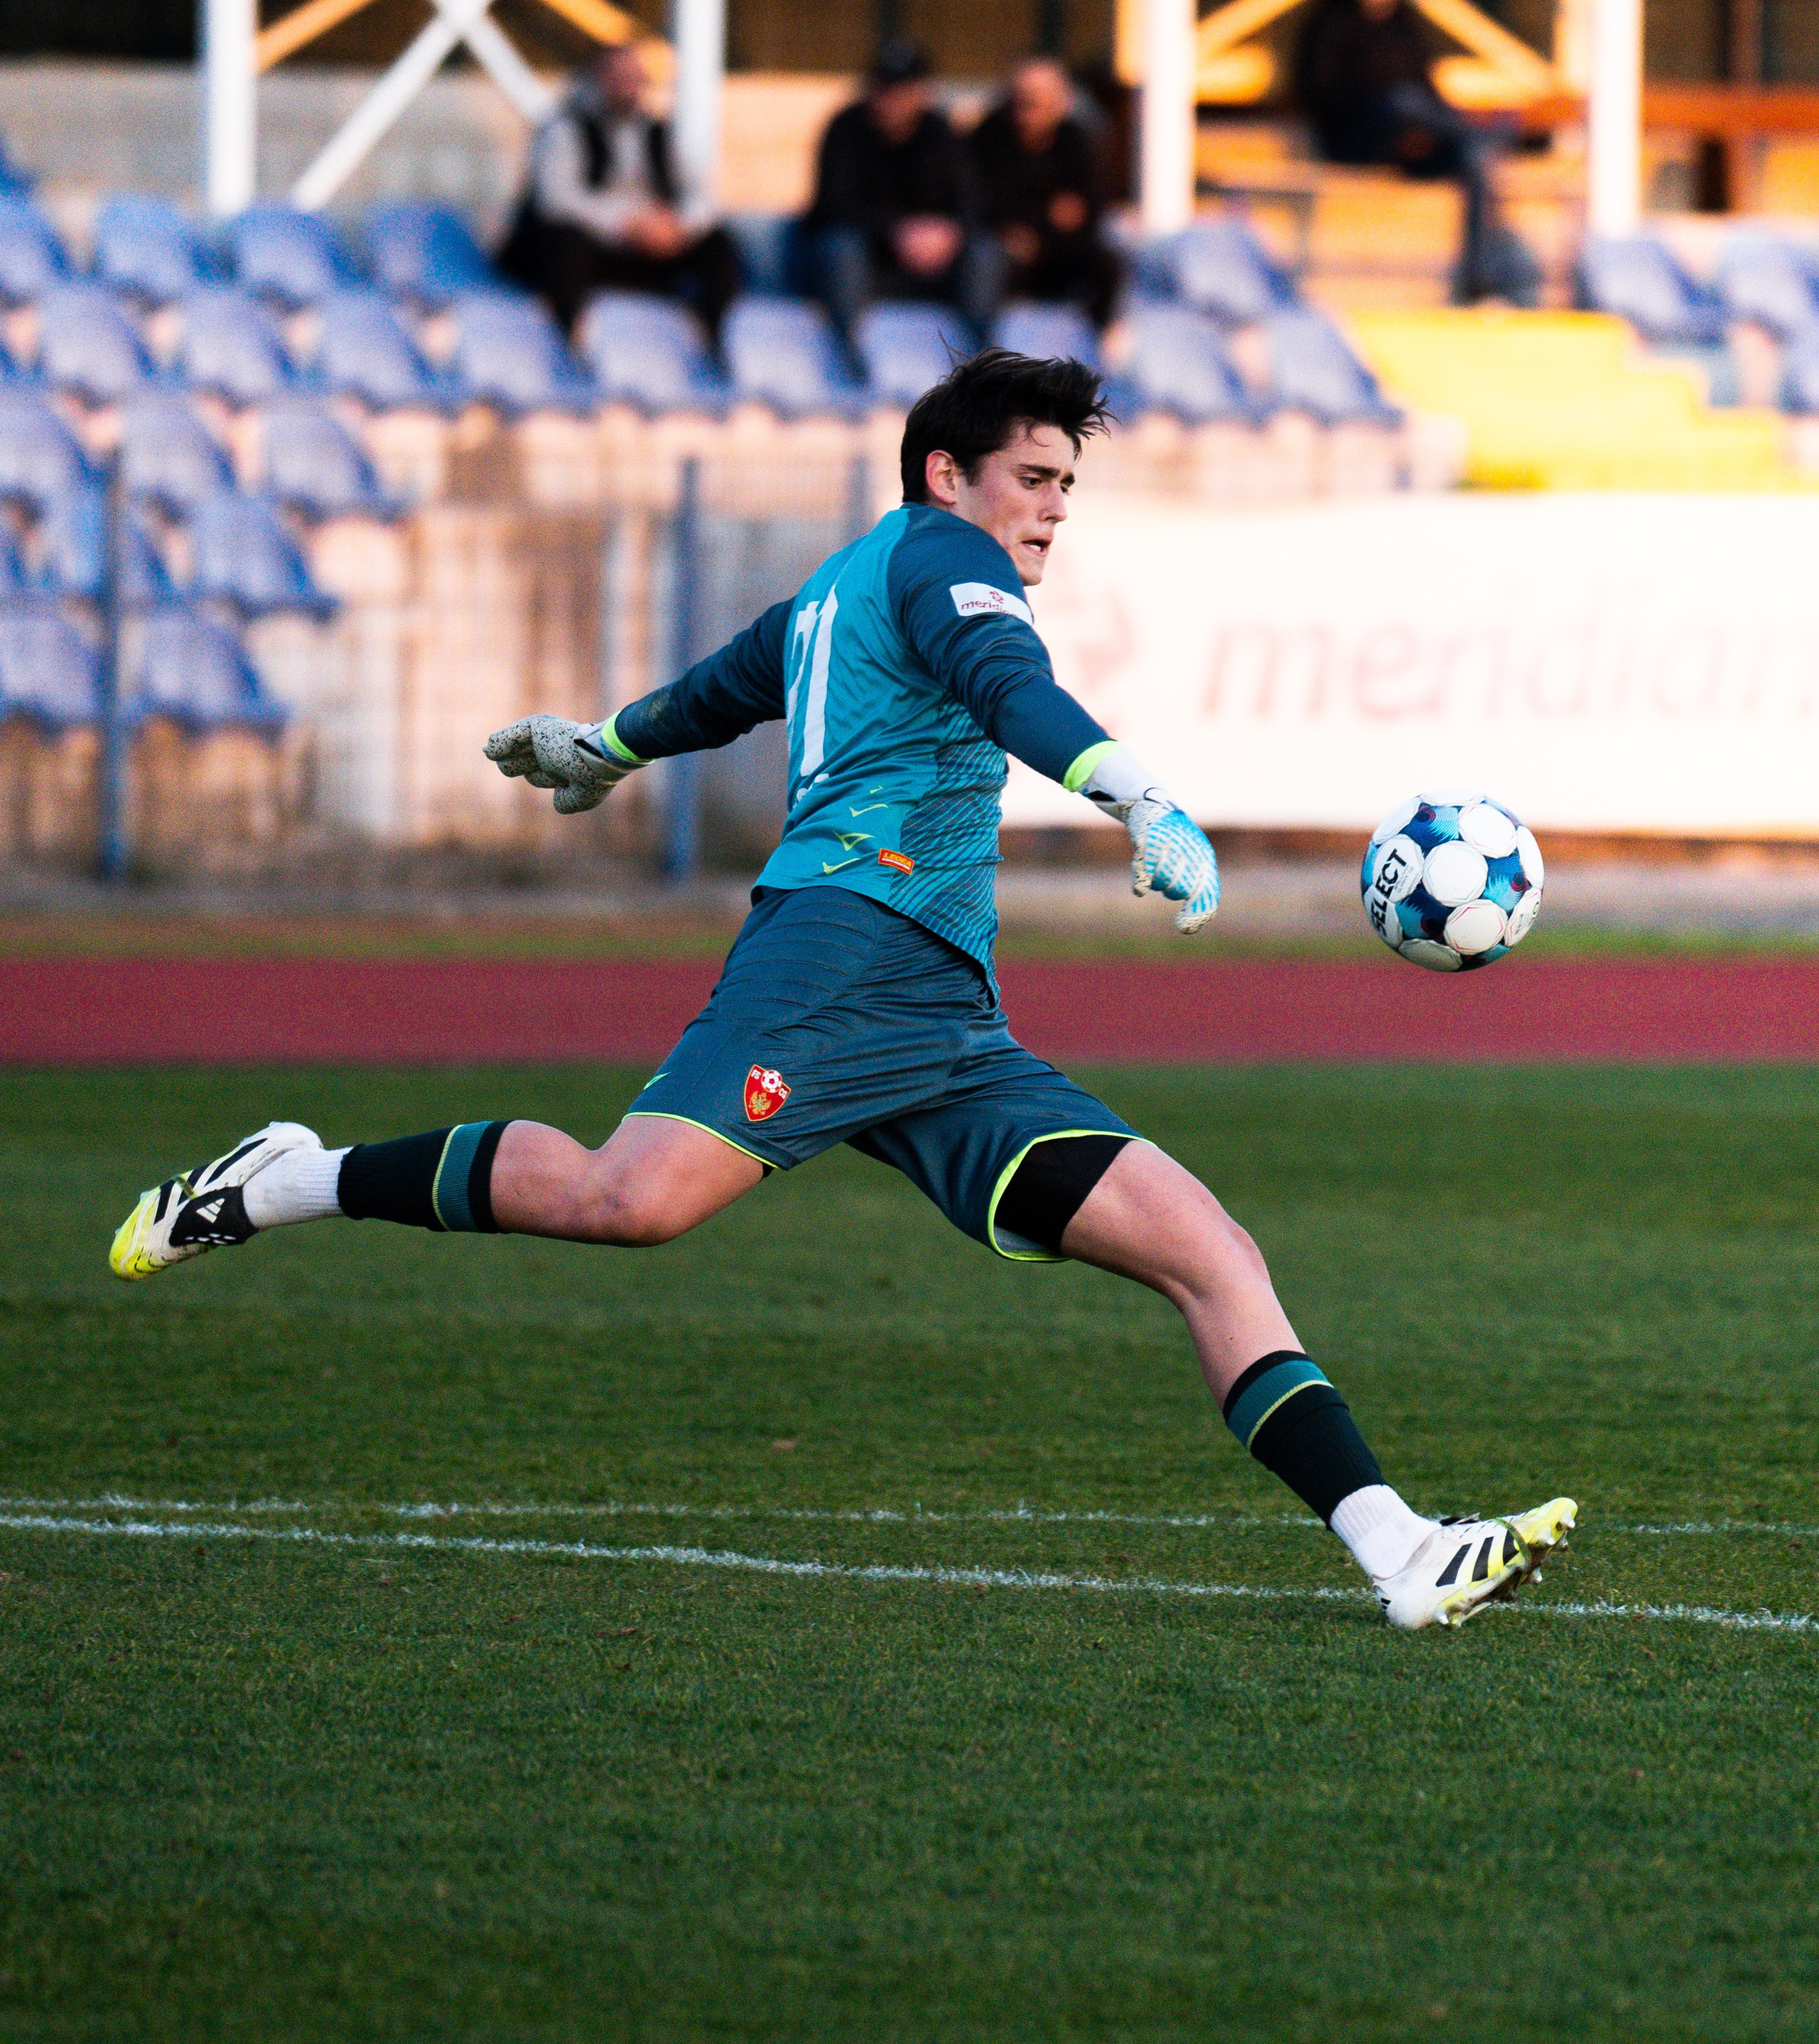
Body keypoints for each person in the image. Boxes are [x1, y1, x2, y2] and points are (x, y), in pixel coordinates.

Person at [108, 350, 1574, 1634]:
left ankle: (1400, 1552)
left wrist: (605, 746)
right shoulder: (944, 561)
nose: (1053, 506)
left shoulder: (845, 581)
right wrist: (1137, 792)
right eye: (1033, 475)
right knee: (632, 1200)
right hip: (836, 952)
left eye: (1067, 483)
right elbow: (1007, 686)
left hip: (941, 1018)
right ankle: (294, 1179)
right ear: (947, 473)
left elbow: (725, 686)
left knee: (1205, 1245)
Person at [1292, 0, 1540, 307]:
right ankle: (1498, 133)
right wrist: (1385, 110)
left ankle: (1476, 281)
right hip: (1352, 142)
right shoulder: (1330, 22)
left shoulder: (1405, 25)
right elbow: (1323, 94)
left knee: (1472, 157)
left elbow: (1432, 94)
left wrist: (1431, 131)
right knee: (1401, 103)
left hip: (1406, 144)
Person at [494, 40, 742, 338]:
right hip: (593, 248)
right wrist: (628, 223)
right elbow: (555, 199)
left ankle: (711, 336)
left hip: (648, 252)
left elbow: (699, 195)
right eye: (617, 77)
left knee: (719, 244)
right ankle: (570, 337)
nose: (627, 86)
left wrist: (677, 227)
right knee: (567, 245)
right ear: (595, 79)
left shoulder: (659, 133)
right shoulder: (565, 128)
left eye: (634, 78)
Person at [805, 40, 998, 348]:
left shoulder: (940, 132)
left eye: (903, 90)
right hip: (871, 258)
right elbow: (834, 204)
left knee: (985, 252)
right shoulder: (845, 129)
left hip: (933, 261)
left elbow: (972, 198)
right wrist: (896, 231)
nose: (893, 99)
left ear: (922, 92)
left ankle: (982, 355)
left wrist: (950, 232)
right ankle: (850, 355)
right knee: (842, 248)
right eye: (884, 88)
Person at [968, 56, 1122, 328]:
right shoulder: (989, 137)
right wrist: (1034, 219)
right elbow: (982, 199)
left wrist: (1038, 225)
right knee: (987, 259)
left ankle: (1095, 346)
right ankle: (983, 343)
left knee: (1109, 262)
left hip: (1057, 245)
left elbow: (1091, 205)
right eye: (1022, 98)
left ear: (1060, 101)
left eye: (1038, 99)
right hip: (1004, 242)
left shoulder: (1074, 140)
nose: (1028, 107)